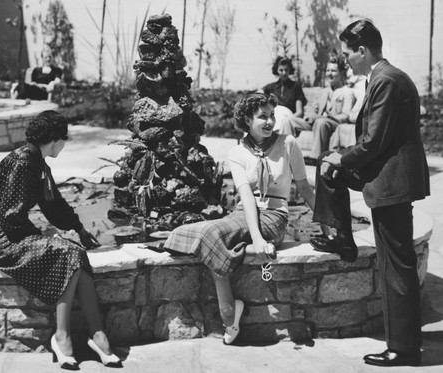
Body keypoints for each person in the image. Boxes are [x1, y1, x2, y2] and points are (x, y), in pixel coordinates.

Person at [309, 20, 430, 367]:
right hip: (385, 174)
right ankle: (343, 238)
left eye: (348, 53)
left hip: (391, 182)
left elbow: (375, 141)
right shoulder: (383, 77)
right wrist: (337, 160)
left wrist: (342, 158)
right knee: (325, 166)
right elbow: (376, 140)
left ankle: (403, 349)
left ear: (362, 50)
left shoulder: (387, 80)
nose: (345, 59)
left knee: (397, 266)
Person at [164, 92, 319, 345]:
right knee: (194, 230)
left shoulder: (288, 143)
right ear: (247, 120)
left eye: (271, 116)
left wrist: (326, 221)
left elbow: (304, 187)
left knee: (210, 233)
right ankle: (230, 308)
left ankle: (227, 312)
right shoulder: (237, 152)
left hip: (274, 217)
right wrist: (256, 240)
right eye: (262, 117)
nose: (269, 122)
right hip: (244, 214)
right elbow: (246, 195)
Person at [0, 111, 121, 369]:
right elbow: (10, 216)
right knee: (69, 253)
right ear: (56, 139)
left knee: (76, 252)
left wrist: (78, 228)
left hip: (13, 229)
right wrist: (41, 234)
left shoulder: (38, 162)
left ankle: (97, 334)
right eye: (64, 140)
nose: (64, 145)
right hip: (2, 236)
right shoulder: (24, 162)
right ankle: (62, 335)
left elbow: (54, 205)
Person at [308, 55, 356, 160]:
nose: (329, 73)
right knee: (289, 121)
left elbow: (346, 115)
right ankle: (287, 158)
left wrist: (329, 117)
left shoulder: (347, 92)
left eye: (333, 71)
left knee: (321, 122)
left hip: (333, 123)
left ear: (342, 73)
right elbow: (315, 110)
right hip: (318, 121)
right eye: (328, 70)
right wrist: (310, 116)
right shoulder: (323, 91)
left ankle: (316, 159)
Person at [262, 56, 310, 136]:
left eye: (286, 70)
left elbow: (299, 112)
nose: (284, 73)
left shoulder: (296, 86)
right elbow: (258, 93)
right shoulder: (272, 87)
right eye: (281, 70)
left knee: (280, 121)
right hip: (274, 113)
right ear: (277, 70)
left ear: (289, 70)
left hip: (287, 115)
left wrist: (288, 120)